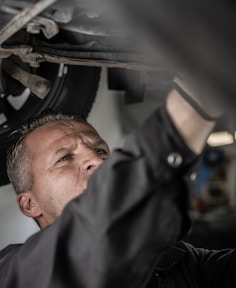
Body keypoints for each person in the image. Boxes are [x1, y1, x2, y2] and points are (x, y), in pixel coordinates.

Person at [0, 85, 228, 288]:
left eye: (101, 151)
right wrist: (192, 106)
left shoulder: (180, 262)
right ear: (29, 204)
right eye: (64, 158)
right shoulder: (14, 275)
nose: (98, 161)